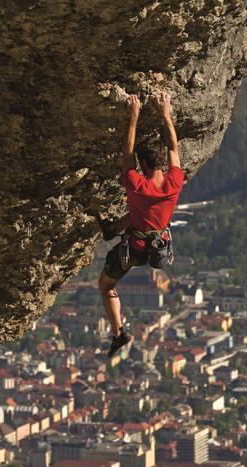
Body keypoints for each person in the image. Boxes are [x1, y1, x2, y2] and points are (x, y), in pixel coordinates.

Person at [98, 92, 184, 357]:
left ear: (143, 164)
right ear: (160, 163)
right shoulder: (174, 183)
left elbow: (126, 152)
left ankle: (118, 333)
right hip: (158, 246)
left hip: (133, 248)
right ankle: (111, 229)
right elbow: (174, 148)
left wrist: (133, 116)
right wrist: (165, 113)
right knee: (137, 216)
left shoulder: (137, 184)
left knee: (106, 285)